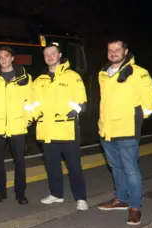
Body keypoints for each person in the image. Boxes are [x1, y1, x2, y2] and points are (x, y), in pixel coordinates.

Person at [96, 39, 152, 225]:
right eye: (110, 50)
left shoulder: (139, 73)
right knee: (116, 167)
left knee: (131, 169)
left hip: (127, 130)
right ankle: (121, 199)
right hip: (106, 129)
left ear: (125, 51)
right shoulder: (103, 73)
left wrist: (137, 118)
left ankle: (135, 207)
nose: (113, 53)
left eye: (117, 49)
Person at [32, 43, 88, 211]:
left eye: (53, 53)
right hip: (47, 130)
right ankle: (56, 194)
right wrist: (36, 116)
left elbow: (82, 102)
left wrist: (71, 114)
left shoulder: (72, 76)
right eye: (46, 54)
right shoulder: (39, 80)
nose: (50, 56)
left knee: (74, 167)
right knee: (52, 166)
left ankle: (81, 198)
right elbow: (33, 104)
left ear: (59, 55)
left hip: (67, 130)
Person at [0, 46, 31, 204]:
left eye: (6, 56)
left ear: (12, 58)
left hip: (18, 126)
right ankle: (0, 192)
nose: (3, 59)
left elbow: (31, 101)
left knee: (20, 162)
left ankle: (20, 193)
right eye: (0, 57)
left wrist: (28, 119)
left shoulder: (25, 78)